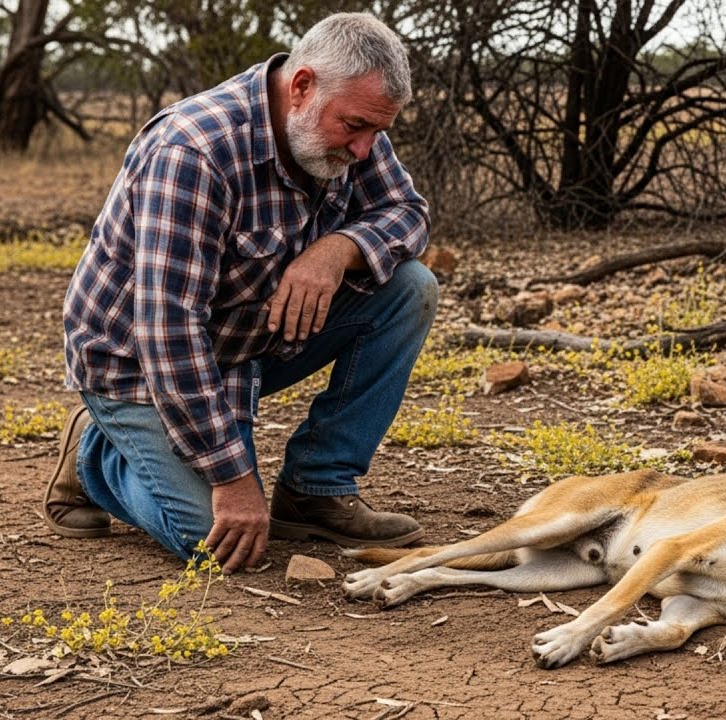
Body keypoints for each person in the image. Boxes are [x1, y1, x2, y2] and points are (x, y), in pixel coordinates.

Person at [45, 12, 437, 573]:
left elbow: (408, 214)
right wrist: (233, 479)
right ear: (301, 86)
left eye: (377, 132)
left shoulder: (352, 127)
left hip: (245, 343)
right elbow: (169, 333)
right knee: (213, 540)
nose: (363, 150)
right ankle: (96, 453)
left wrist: (338, 249)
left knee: (410, 287)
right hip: (139, 366)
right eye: (354, 127)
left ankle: (317, 487)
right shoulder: (194, 151)